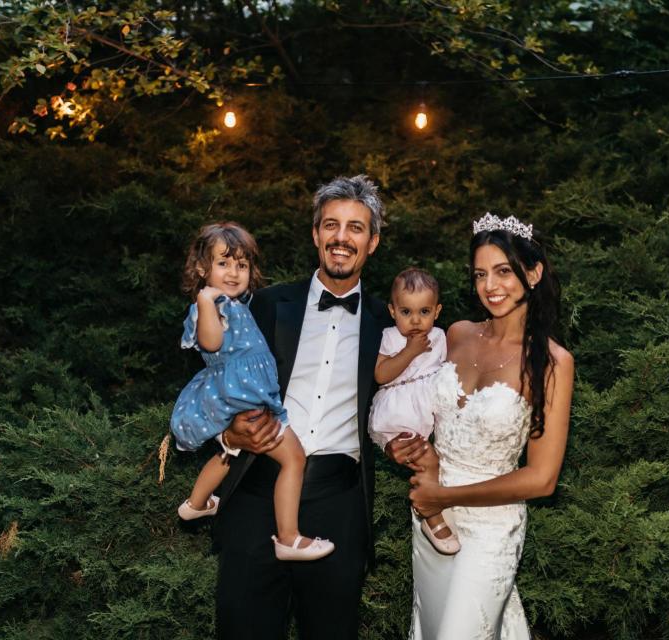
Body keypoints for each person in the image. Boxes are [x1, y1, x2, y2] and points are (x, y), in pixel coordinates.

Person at [213, 175, 392, 640]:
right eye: (331, 225)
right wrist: (230, 434)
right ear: (315, 234)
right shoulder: (267, 305)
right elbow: (218, 376)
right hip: (256, 493)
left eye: (356, 228)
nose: (341, 237)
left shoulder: (386, 322)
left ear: (372, 242)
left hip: (339, 503)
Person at [387, 213, 574, 639]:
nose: (490, 286)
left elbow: (542, 479)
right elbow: (417, 410)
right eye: (480, 274)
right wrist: (399, 447)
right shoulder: (455, 334)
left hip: (491, 527)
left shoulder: (552, 363)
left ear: (533, 272)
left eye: (504, 271)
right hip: (431, 519)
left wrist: (445, 495)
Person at [170, 222, 333, 561]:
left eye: (241, 265)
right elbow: (210, 342)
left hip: (240, 396)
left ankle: (196, 504)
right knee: (294, 458)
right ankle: (288, 537)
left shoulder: (236, 305)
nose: (233, 272)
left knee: (232, 448)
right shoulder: (210, 306)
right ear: (202, 269)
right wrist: (204, 300)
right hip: (242, 396)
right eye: (223, 263)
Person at [368, 268, 459, 554]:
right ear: (393, 311)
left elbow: (452, 372)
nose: (416, 320)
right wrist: (410, 351)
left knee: (442, 459)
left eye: (424, 311)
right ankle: (430, 514)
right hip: (398, 412)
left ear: (437, 311)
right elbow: (381, 375)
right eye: (406, 312)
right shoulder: (389, 337)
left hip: (428, 407)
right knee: (425, 459)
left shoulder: (442, 337)